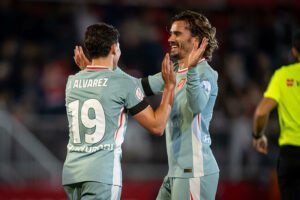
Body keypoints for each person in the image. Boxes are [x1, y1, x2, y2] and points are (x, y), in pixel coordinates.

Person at [74, 10, 219, 200]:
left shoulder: (206, 74)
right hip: (176, 172)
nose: (170, 39)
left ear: (196, 40)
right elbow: (136, 86)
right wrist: (98, 72)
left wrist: (191, 70)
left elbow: (197, 105)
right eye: (171, 33)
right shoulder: (174, 71)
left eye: (177, 34)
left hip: (196, 171)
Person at [252, 30, 300, 200]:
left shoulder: (282, 76)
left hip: (290, 155)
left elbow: (261, 111)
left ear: (294, 51)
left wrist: (258, 135)